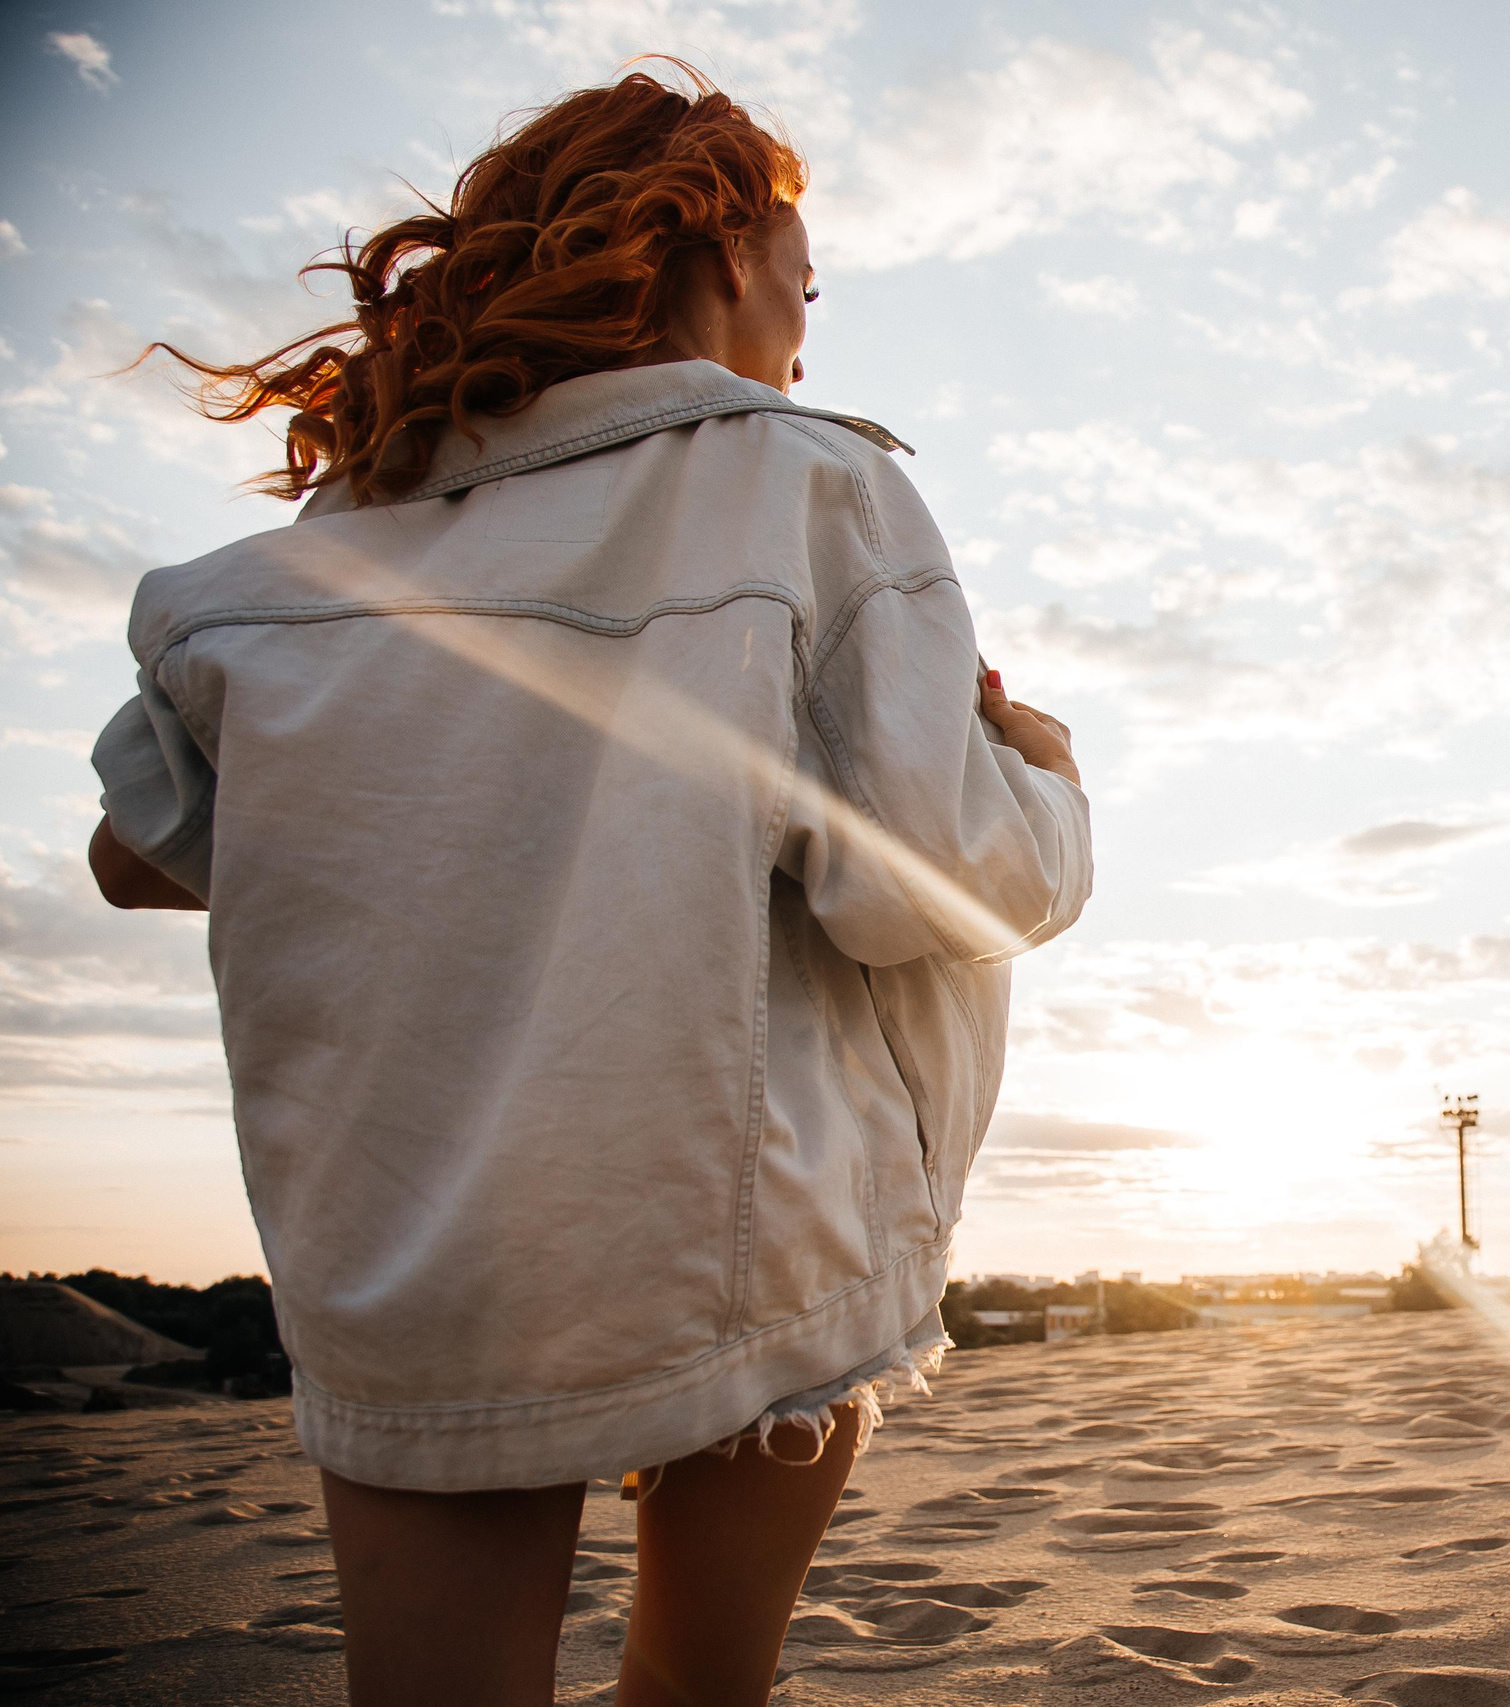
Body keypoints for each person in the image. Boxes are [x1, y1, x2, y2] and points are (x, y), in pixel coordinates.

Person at [85, 68, 1091, 1707]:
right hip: (747, 1221)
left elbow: (141, 855)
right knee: (699, 1689)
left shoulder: (303, 562)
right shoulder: (803, 483)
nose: (806, 343)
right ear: (708, 239)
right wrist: (1045, 772)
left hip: (419, 1244)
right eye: (802, 287)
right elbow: (937, 883)